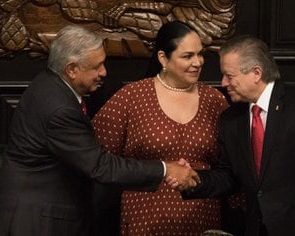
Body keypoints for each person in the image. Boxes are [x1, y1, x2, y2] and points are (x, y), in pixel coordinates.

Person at [0, 24, 199, 236]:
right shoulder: (59, 109)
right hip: (36, 220)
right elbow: (100, 166)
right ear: (71, 69)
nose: (104, 72)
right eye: (97, 66)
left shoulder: (50, 85)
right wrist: (165, 169)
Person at [177, 35, 295, 236]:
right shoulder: (231, 119)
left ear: (256, 73)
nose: (223, 83)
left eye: (229, 76)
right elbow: (229, 176)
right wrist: (194, 180)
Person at [91, 21, 229, 235]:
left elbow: (232, 164)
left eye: (200, 54)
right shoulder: (133, 97)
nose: (197, 62)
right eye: (187, 56)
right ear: (163, 58)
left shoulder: (215, 100)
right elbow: (99, 158)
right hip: (145, 219)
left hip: (202, 217)